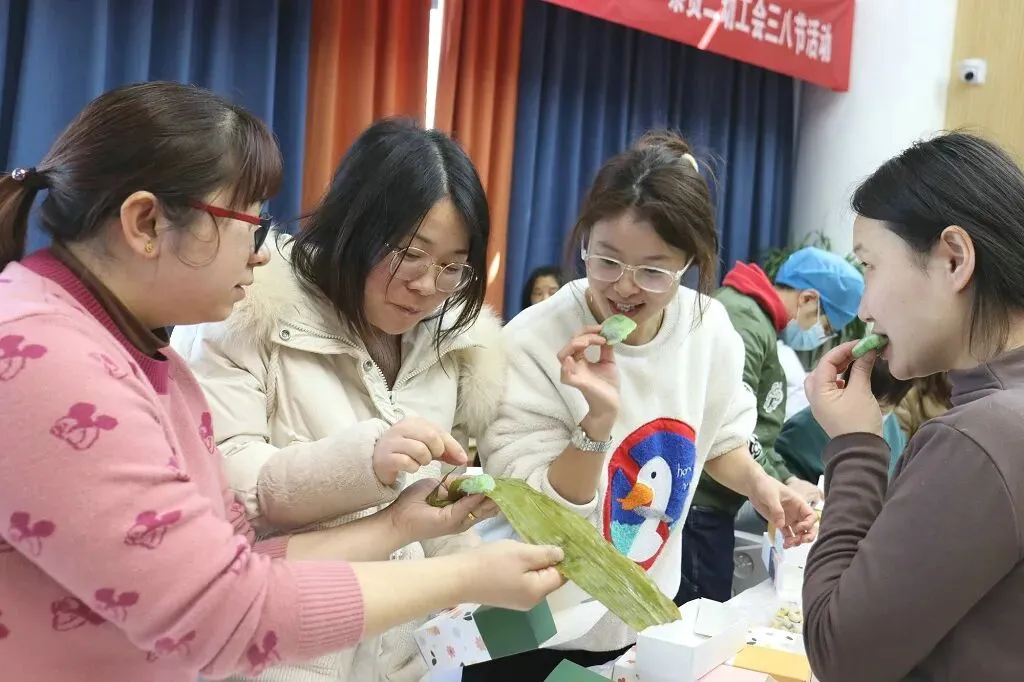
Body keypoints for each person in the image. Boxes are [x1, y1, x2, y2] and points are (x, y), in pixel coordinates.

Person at [0, 82, 565, 682]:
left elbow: (240, 561)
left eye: (451, 267)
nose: (263, 252)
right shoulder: (45, 359)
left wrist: (399, 526)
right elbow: (222, 612)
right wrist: (462, 577)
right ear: (145, 223)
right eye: (248, 222)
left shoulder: (148, 359)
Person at [169, 117, 507, 682]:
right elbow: (225, 483)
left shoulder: (451, 347)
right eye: (410, 254)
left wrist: (475, 560)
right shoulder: (246, 311)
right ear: (354, 226)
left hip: (404, 656)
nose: (426, 285)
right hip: (281, 654)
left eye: (452, 267)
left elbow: (420, 517)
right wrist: (364, 461)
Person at [472, 132, 817, 679]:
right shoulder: (532, 342)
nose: (624, 287)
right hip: (530, 627)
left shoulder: (709, 331)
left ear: (688, 263)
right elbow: (541, 519)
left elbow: (718, 437)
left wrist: (763, 487)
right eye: (605, 260)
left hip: (639, 620)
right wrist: (596, 424)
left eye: (653, 271)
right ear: (584, 242)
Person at [802, 132, 1024, 681]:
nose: (863, 308)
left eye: (870, 266)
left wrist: (856, 445)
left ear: (953, 259)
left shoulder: (982, 437)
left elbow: (841, 655)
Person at [680, 247, 863, 603]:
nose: (818, 336)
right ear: (808, 298)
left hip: (714, 500)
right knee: (697, 615)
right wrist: (775, 481)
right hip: (701, 501)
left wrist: (788, 479)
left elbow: (755, 428)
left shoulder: (757, 322)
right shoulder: (744, 321)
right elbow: (727, 426)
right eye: (825, 327)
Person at [776, 358, 910, 482]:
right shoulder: (802, 433)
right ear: (842, 383)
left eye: (880, 410)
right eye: (859, 405)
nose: (868, 417)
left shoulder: (894, 433)